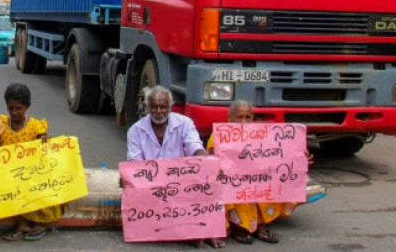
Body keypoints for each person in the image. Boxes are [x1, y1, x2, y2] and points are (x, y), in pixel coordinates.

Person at [125, 85, 222, 248]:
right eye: (153, 107)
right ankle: (187, 232)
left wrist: (208, 164)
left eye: (162, 107)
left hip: (181, 183)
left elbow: (194, 146)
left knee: (207, 182)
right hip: (151, 184)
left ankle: (206, 230)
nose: (158, 111)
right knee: (134, 193)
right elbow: (135, 164)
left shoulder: (184, 123)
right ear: (147, 107)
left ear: (170, 107)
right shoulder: (135, 131)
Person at [207, 100, 293, 244]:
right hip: (232, 183)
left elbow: (278, 154)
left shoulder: (260, 135)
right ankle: (237, 226)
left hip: (253, 182)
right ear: (230, 118)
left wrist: (298, 157)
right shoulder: (219, 135)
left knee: (272, 180)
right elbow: (211, 160)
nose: (244, 122)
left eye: (248, 117)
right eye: (239, 117)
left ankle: (259, 224)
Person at [0, 83, 62, 241]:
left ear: (27, 107)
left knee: (39, 189)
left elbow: (45, 151)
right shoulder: (0, 124)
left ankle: (37, 223)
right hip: (10, 174)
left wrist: (44, 141)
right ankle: (23, 223)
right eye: (10, 108)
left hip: (31, 174)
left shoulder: (35, 126)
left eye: (18, 108)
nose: (14, 112)